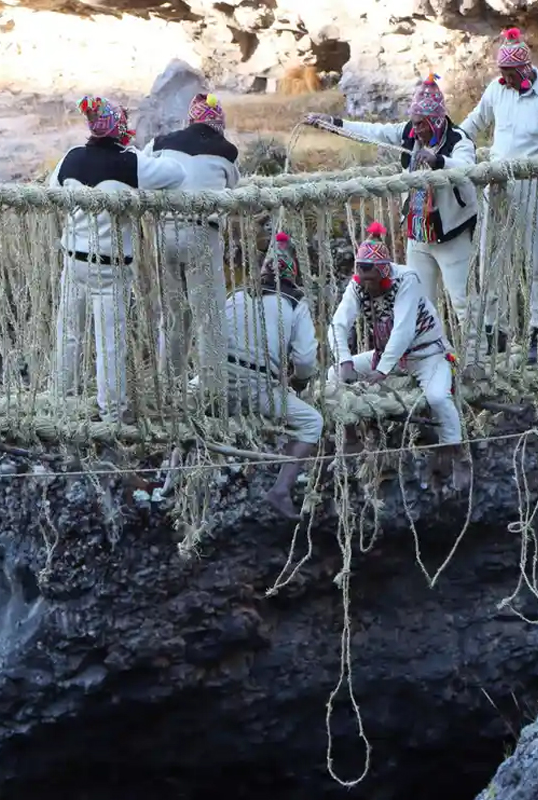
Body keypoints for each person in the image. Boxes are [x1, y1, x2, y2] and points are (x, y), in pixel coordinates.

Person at [303, 74, 479, 347]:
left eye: (420, 124)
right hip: (418, 234)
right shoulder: (409, 133)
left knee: (463, 301)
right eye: (414, 123)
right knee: (419, 302)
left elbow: (468, 170)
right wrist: (333, 124)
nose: (415, 130)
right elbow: (373, 132)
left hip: (451, 236)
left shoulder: (458, 140)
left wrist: (439, 160)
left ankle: (478, 357)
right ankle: (429, 355)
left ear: (435, 121)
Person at [48, 95, 186, 421]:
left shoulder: (71, 157)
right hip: (110, 268)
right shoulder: (132, 163)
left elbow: (51, 190)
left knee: (69, 333)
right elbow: (177, 174)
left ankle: (60, 403)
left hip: (73, 261)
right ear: (119, 127)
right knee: (110, 341)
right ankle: (111, 413)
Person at [459, 27, 538, 365]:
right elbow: (472, 124)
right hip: (497, 184)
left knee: (537, 262)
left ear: (525, 69)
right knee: (490, 259)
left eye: (510, 73)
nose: (505, 79)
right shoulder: (496, 89)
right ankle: (495, 332)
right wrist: (450, 147)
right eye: (501, 73)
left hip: (535, 185)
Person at [327, 222, 470, 491]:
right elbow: (338, 324)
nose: (367, 286)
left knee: (438, 398)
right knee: (334, 374)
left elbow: (403, 330)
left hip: (427, 354)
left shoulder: (406, 279)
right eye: (363, 280)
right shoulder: (358, 285)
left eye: (372, 280)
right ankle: (350, 438)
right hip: (386, 357)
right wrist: (344, 360)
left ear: (384, 272)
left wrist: (382, 371)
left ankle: (457, 452)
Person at [223, 231, 322, 520]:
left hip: (215, 382)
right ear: (293, 274)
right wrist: (299, 381)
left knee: (186, 411)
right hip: (257, 389)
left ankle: (171, 478)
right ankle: (280, 490)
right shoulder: (295, 303)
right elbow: (305, 360)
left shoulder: (235, 295)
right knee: (312, 423)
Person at [143, 92, 240, 388]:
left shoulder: (160, 143)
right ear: (219, 122)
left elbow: (142, 170)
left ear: (190, 119)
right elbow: (234, 186)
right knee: (208, 315)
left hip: (164, 232)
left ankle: (169, 384)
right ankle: (212, 388)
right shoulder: (227, 151)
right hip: (201, 233)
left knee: (173, 313)